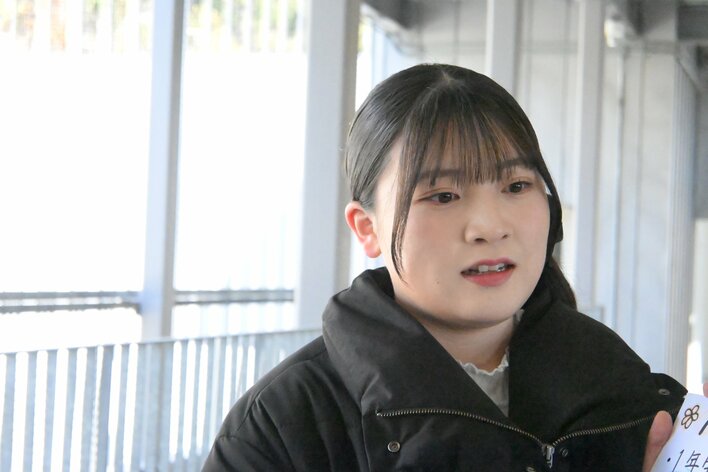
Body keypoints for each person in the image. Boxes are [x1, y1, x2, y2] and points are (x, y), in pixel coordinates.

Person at [203, 64, 686, 471]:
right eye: (443, 196)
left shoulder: (634, 400)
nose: (489, 227)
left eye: (516, 186)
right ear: (367, 228)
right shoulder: (283, 428)